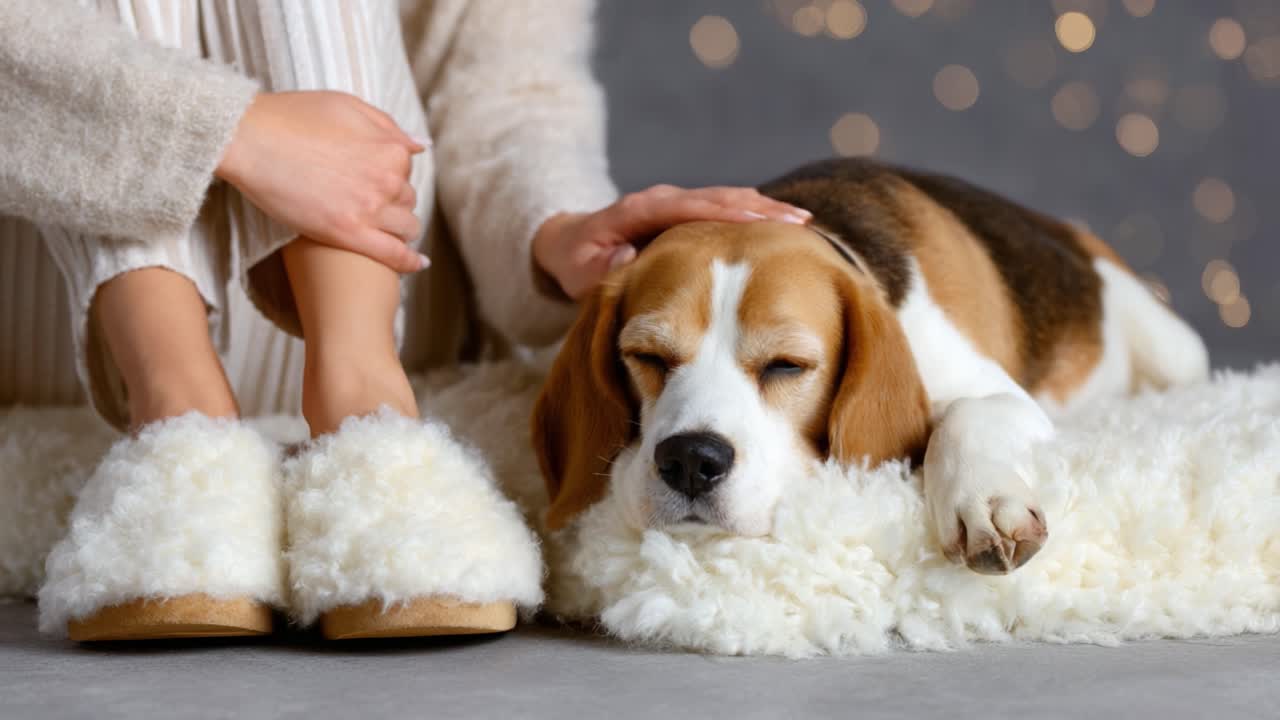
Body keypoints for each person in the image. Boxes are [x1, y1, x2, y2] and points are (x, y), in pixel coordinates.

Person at [0, 0, 812, 642]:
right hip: (66, 344)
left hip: (397, 314)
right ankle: (205, 402)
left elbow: (507, 90)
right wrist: (232, 134)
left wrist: (555, 230)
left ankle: (311, 414)